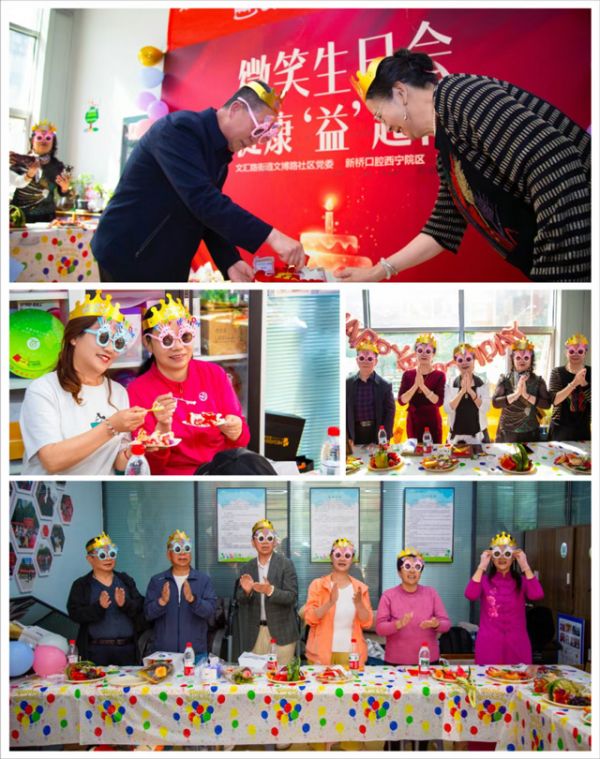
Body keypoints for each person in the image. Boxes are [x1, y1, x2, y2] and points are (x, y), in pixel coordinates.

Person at [337, 49, 590, 283]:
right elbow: (442, 227)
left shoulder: (458, 93)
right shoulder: (446, 148)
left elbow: (554, 161)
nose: (386, 127)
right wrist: (375, 273)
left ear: (400, 92)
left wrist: (557, 272)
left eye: (380, 116)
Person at [91, 80, 305, 282]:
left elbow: (205, 215)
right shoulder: (178, 130)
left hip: (164, 260)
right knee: (128, 312)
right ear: (236, 109)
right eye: (257, 129)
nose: (255, 140)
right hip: (130, 253)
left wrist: (230, 261)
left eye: (264, 134)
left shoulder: (219, 154)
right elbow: (203, 200)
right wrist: (273, 237)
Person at [20, 290, 148, 475]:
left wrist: (139, 447)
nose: (110, 349)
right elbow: (51, 461)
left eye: (118, 342)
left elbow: (119, 463)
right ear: (74, 337)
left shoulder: (118, 392)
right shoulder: (43, 390)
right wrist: (111, 427)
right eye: (103, 337)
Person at [127, 294, 250, 474]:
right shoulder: (138, 391)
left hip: (220, 469)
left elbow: (242, 440)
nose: (178, 347)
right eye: (167, 340)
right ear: (148, 343)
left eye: (185, 336)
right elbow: (151, 466)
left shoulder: (214, 374)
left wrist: (236, 430)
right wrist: (162, 428)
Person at [465, 531, 544, 665]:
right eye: (497, 553)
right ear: (492, 557)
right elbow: (470, 594)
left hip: (517, 644)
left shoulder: (522, 581)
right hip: (489, 644)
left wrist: (525, 565)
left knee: (519, 677)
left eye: (507, 553)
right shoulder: (484, 581)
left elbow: (537, 594)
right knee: (488, 677)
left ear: (513, 557)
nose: (502, 557)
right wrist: (482, 566)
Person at [67, 532, 145, 666]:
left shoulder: (125, 580)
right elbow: (75, 614)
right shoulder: (82, 585)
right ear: (90, 559)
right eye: (102, 555)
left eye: (112, 554)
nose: (108, 559)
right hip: (96, 651)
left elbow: (141, 606)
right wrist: (99, 607)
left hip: (127, 649)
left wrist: (125, 604)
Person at [235, 519, 299, 664]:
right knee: (256, 675)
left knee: (282, 674)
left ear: (275, 542)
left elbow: (292, 597)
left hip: (282, 633)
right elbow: (240, 600)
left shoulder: (286, 564)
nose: (265, 542)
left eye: (269, 538)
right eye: (260, 538)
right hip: (255, 633)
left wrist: (270, 590)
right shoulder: (246, 568)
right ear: (253, 542)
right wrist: (247, 592)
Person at [144, 530, 217, 654]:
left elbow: (210, 612)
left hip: (194, 652)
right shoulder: (157, 581)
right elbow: (148, 614)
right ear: (169, 555)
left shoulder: (203, 580)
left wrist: (193, 600)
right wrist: (161, 602)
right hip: (164, 654)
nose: (182, 554)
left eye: (186, 549)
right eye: (177, 549)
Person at [304, 538, 373, 668]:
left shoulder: (360, 588)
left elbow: (367, 623)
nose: (342, 559)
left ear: (352, 559)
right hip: (321, 654)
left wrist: (359, 605)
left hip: (352, 654)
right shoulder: (318, 585)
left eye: (347, 555)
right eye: (338, 555)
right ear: (331, 557)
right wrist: (329, 603)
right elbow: (310, 618)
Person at [376, 548, 450, 665]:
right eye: (407, 566)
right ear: (399, 572)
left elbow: (446, 625)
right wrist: (398, 624)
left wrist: (436, 624)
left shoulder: (431, 593)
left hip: (428, 661)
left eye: (417, 567)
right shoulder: (388, 596)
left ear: (420, 572)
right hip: (396, 663)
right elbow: (380, 629)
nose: (412, 571)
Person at [9, 120, 72, 222]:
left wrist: (65, 188)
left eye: (48, 138)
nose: (44, 141)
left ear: (53, 143)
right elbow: (13, 181)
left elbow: (63, 197)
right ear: (32, 141)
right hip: (20, 217)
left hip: (47, 219)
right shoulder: (20, 160)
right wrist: (29, 174)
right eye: (39, 138)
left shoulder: (58, 166)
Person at [492, 337, 551, 442]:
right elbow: (495, 403)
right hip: (507, 432)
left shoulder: (538, 381)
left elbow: (547, 404)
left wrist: (526, 395)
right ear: (513, 359)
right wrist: (516, 394)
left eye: (526, 358)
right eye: (518, 358)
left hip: (531, 432)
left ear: (531, 359)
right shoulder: (505, 379)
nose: (522, 361)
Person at [346, 340, 396, 446]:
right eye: (361, 358)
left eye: (369, 359)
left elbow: (390, 413)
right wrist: (347, 437)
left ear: (375, 362)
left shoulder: (385, 385)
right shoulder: (347, 384)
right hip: (355, 433)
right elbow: (345, 411)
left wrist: (385, 437)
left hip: (377, 432)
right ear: (357, 360)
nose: (365, 362)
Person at [398, 333, 445, 443]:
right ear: (415, 353)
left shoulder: (439, 375)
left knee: (434, 451)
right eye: (420, 351)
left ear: (433, 354)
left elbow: (439, 402)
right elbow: (402, 401)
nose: (424, 354)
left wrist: (423, 387)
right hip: (414, 420)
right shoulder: (408, 374)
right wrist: (415, 386)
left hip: (432, 420)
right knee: (415, 450)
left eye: (428, 351)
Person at [444, 343, 491, 444]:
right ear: (456, 363)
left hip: (479, 436)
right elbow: (447, 409)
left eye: (468, 359)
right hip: (456, 437)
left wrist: (470, 391)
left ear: (474, 361)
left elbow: (486, 408)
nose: (464, 363)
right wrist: (462, 392)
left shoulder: (483, 382)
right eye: (460, 360)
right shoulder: (450, 383)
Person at [547, 333, 591, 441]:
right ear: (566, 353)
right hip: (559, 429)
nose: (575, 354)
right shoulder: (557, 372)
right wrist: (574, 383)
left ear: (585, 353)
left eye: (580, 351)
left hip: (583, 429)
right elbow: (554, 400)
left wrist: (584, 383)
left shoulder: (592, 372)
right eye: (571, 351)